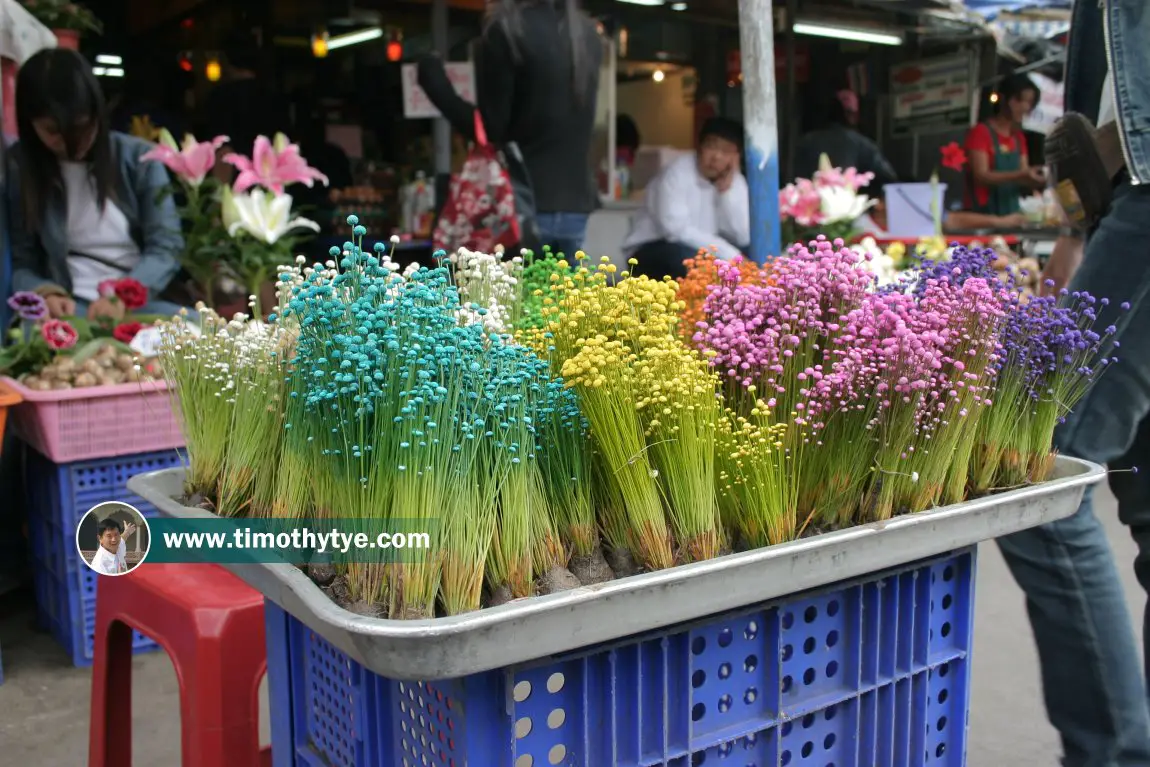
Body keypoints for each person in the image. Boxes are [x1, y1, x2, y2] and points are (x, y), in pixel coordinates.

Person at [994, 0, 1150, 763]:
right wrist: (1075, 225)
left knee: (1038, 477)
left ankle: (1114, 755)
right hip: (1125, 194)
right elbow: (1092, 122)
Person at [6, 49, 186, 321]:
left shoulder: (141, 159)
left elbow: (167, 246)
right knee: (37, 349)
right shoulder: (20, 167)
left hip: (140, 299)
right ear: (30, 125)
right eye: (53, 131)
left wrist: (122, 295)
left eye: (81, 127)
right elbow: (22, 262)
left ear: (98, 112)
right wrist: (46, 293)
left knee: (200, 339)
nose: (70, 143)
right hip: (68, 308)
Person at [417, 0, 602, 257]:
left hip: (521, 203)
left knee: (511, 295)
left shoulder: (507, 30)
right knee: (560, 295)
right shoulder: (586, 34)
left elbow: (491, 130)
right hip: (575, 203)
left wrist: (436, 86)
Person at [622, 117, 750, 280]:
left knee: (753, 254)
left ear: (735, 157)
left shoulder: (735, 181)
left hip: (705, 250)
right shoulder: (676, 173)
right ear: (699, 147)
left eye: (726, 151)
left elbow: (742, 236)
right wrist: (730, 255)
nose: (716, 157)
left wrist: (726, 193)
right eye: (711, 146)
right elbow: (675, 231)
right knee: (692, 261)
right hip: (652, 248)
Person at [201, 30, 291, 171]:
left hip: (235, 180)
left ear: (227, 61)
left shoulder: (220, 97)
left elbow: (221, 150)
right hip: (270, 176)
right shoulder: (274, 97)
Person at [963, 74, 1046, 217]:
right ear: (1003, 98)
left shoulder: (1018, 138)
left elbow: (1024, 173)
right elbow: (981, 176)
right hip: (982, 216)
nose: (1024, 107)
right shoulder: (981, 132)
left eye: (1029, 102)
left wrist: (1039, 178)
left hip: (1011, 215)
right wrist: (1021, 174)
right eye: (1019, 100)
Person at [793, 89, 897, 190]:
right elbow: (888, 177)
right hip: (848, 204)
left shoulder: (806, 141)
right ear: (852, 116)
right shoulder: (860, 143)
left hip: (810, 203)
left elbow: (792, 179)